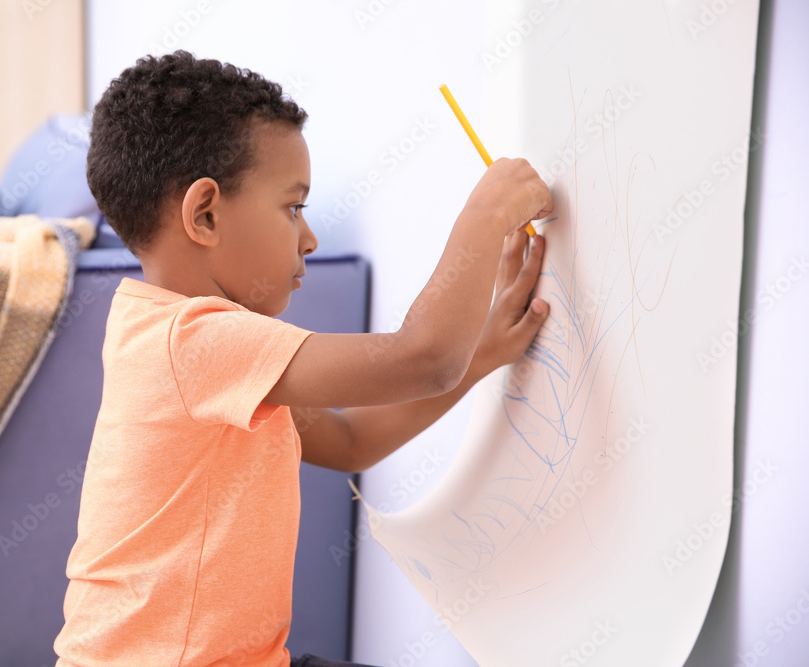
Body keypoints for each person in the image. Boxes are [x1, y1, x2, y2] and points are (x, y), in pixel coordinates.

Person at [53, 49, 553, 667]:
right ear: (205, 214)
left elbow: (348, 440)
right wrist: (485, 215)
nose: (309, 238)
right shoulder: (193, 339)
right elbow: (422, 357)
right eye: (293, 207)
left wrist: (477, 357)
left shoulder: (177, 339)